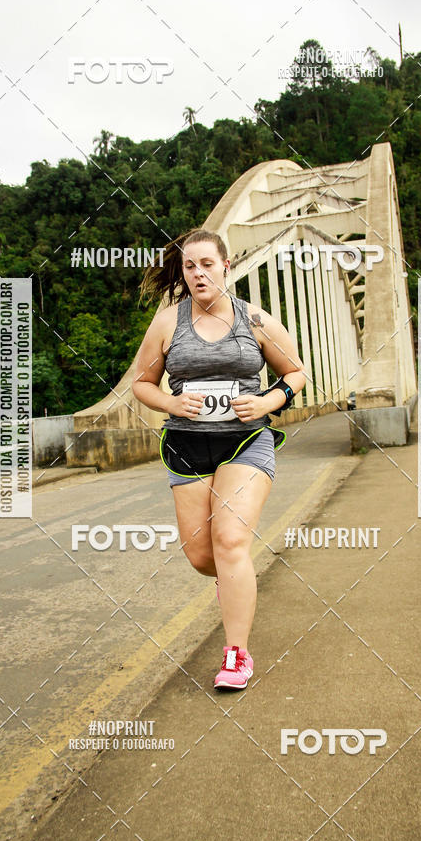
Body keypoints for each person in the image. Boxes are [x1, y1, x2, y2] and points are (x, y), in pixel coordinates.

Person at [132, 229, 305, 689]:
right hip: (186, 446)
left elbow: (295, 371)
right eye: (190, 266)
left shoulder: (256, 319)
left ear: (226, 266)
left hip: (245, 441)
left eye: (207, 263)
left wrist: (269, 401)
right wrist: (171, 404)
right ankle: (230, 581)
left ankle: (236, 655)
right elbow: (142, 383)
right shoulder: (169, 322)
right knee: (203, 556)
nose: (198, 273)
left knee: (229, 541)